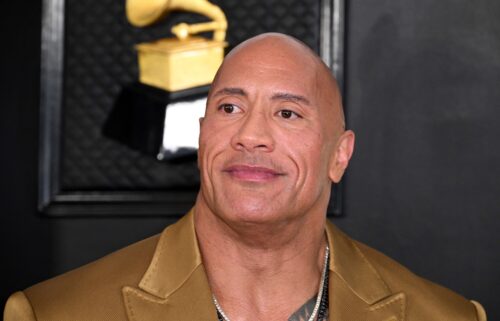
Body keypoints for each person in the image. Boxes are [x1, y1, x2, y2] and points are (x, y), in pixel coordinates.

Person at [3, 33, 487, 321]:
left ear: (339, 156)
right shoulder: (53, 315)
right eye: (230, 107)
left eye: (288, 114)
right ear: (202, 138)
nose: (251, 135)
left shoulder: (447, 318)